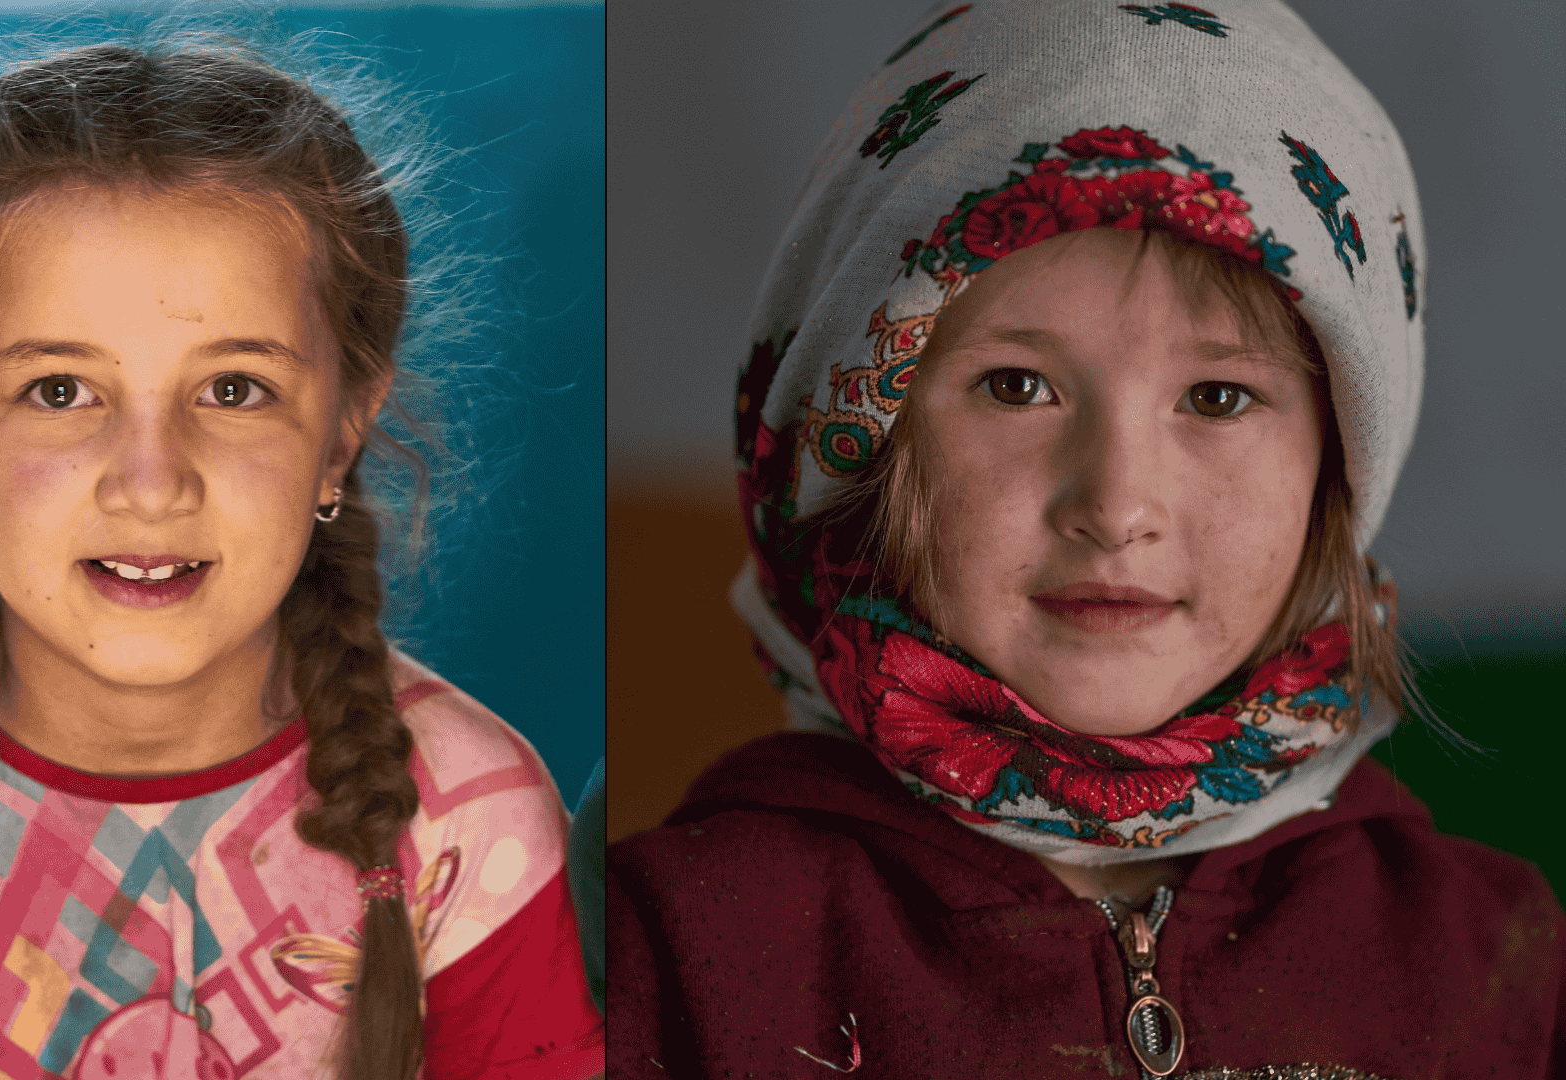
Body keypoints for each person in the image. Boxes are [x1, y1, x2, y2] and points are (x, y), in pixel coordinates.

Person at [608, 1, 1563, 1076]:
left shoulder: (1489, 963)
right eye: (1018, 387)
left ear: (1342, 465)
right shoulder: (672, 946)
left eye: (1217, 397)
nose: (1116, 506)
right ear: (858, 429)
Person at [0, 37, 601, 1080]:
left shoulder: (471, 818)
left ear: (341, 436)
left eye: (233, 390)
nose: (152, 482)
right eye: (60, 391)